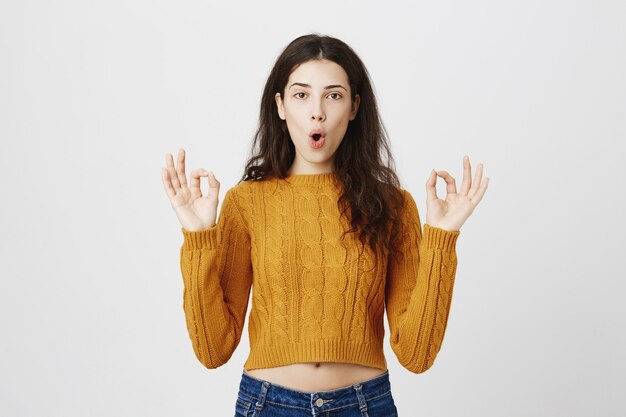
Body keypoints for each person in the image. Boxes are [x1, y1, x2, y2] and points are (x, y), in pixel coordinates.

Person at [161, 33, 489, 417]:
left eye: (333, 95)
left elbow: (416, 355)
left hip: (365, 405)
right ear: (281, 106)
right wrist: (198, 238)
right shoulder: (246, 202)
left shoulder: (392, 205)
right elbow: (212, 350)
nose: (317, 111)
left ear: (353, 107)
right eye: (301, 95)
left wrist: (441, 239)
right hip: (268, 405)